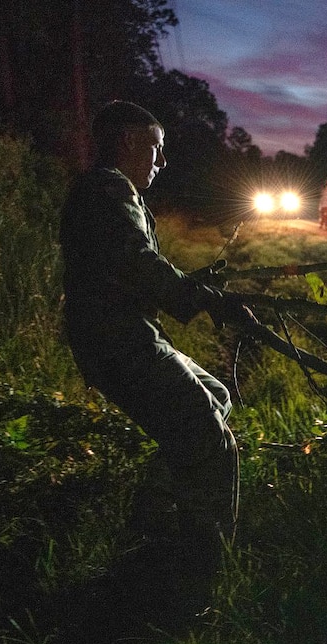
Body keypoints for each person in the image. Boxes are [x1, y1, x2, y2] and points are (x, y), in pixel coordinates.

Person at [59, 100, 255, 583]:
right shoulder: (108, 191)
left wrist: (194, 287)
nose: (161, 161)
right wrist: (202, 298)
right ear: (127, 141)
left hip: (123, 337)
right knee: (212, 439)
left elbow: (131, 268)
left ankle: (153, 514)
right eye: (155, 147)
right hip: (118, 345)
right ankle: (204, 567)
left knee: (217, 395)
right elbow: (137, 265)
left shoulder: (108, 191)